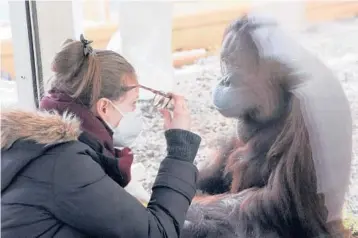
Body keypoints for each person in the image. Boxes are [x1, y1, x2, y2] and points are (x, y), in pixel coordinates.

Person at [1, 35, 201, 238]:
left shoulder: (38, 145)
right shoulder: (65, 162)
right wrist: (179, 150)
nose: (135, 113)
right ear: (104, 107)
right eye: (133, 104)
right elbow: (158, 233)